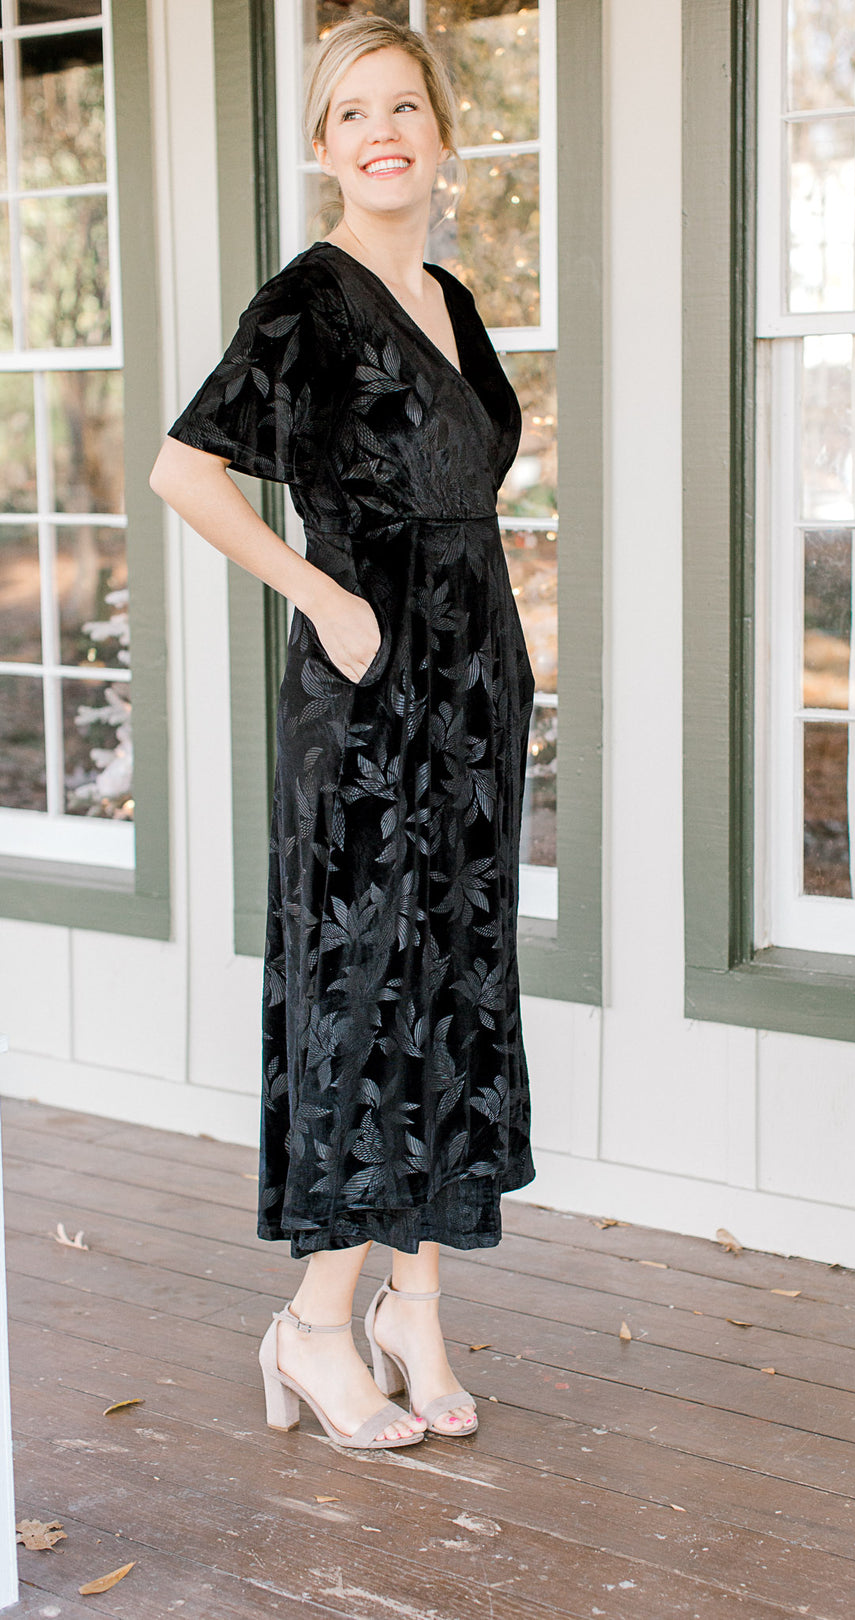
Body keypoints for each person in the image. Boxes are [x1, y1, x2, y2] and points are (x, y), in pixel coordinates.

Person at [149, 15, 536, 1451]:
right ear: (324, 149)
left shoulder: (452, 296)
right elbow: (182, 473)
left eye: (405, 105)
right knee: (369, 996)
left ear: (441, 128)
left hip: (474, 700)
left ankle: (415, 1305)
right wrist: (322, 594)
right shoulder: (307, 302)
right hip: (367, 709)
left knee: (457, 986)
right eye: (352, 114)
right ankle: (314, 1323)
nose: (383, 131)